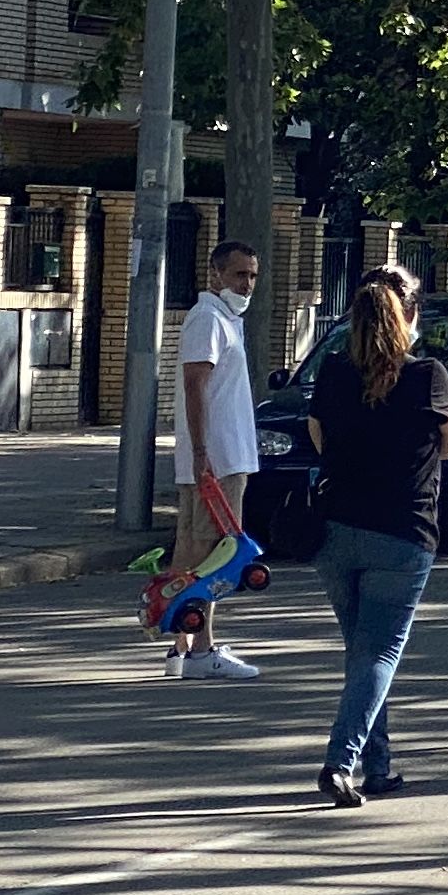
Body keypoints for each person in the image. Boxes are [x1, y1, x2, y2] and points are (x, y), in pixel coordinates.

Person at [303, 276, 448, 808]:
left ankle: (380, 767)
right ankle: (340, 762)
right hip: (402, 531)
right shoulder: (427, 376)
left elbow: (318, 434)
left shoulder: (334, 370)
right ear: (407, 319)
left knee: (364, 655)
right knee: (379, 653)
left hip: (336, 530)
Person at [170, 240, 265, 682]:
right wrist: (202, 449)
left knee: (192, 549)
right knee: (215, 555)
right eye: (238, 275)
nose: (246, 284)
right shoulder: (208, 317)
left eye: (251, 275)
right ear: (216, 275)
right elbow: (195, 384)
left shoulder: (227, 319)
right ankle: (202, 649)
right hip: (217, 459)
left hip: (220, 455)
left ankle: (179, 643)